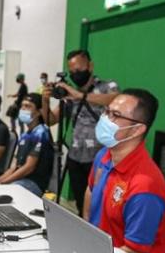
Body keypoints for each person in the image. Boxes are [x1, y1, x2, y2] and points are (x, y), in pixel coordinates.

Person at [85, 89, 165, 253]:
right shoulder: (104, 155)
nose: (106, 119)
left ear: (137, 129)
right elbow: (91, 192)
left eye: (115, 115)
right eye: (107, 111)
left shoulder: (145, 185)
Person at [43, 49, 120, 215]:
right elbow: (50, 120)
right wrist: (45, 100)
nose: (75, 75)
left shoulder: (107, 86)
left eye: (79, 70)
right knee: (81, 205)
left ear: (90, 66)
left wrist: (79, 95)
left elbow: (115, 99)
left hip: (100, 158)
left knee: (100, 206)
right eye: (72, 72)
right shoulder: (69, 95)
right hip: (76, 157)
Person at [0, 93, 53, 196]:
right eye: (22, 106)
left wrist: (4, 183)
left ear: (38, 112)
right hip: (20, 179)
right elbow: (14, 167)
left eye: (28, 106)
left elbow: (29, 167)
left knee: (2, 192)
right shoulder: (25, 134)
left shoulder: (41, 133)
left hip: (33, 182)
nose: (23, 109)